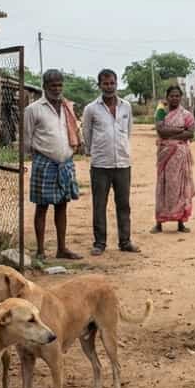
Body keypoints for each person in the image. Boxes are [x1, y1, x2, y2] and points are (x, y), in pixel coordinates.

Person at [24, 69, 82, 260]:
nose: (57, 89)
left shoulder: (67, 107)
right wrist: (33, 157)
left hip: (65, 162)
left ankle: (61, 248)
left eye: (59, 85)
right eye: (53, 86)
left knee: (62, 205)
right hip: (44, 163)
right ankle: (40, 251)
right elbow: (26, 138)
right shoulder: (33, 109)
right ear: (44, 86)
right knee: (42, 207)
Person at [81, 69, 140, 256]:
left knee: (124, 205)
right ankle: (100, 243)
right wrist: (94, 152)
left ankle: (125, 241)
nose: (109, 87)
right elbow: (86, 133)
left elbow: (128, 131)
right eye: (105, 84)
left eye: (112, 83)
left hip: (123, 163)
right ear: (99, 85)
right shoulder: (91, 109)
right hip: (100, 165)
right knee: (99, 205)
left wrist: (122, 149)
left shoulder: (126, 107)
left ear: (116, 83)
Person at [152, 85, 195, 234]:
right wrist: (179, 131)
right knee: (163, 187)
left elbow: (190, 134)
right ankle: (159, 223)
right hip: (165, 155)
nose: (174, 98)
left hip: (180, 156)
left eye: (177, 96)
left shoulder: (186, 114)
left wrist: (170, 134)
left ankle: (180, 223)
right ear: (167, 97)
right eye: (172, 95)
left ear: (181, 97)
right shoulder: (161, 112)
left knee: (181, 188)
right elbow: (161, 131)